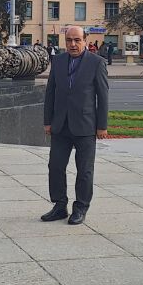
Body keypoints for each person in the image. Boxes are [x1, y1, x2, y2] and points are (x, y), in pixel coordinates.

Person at [41, 25, 110, 225]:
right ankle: (59, 205)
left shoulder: (97, 63)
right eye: (69, 40)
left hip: (86, 126)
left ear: (85, 40)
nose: (72, 44)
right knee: (55, 166)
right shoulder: (58, 61)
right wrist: (48, 121)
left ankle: (80, 208)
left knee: (85, 170)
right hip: (60, 125)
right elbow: (50, 93)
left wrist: (102, 126)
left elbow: (103, 97)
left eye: (77, 40)